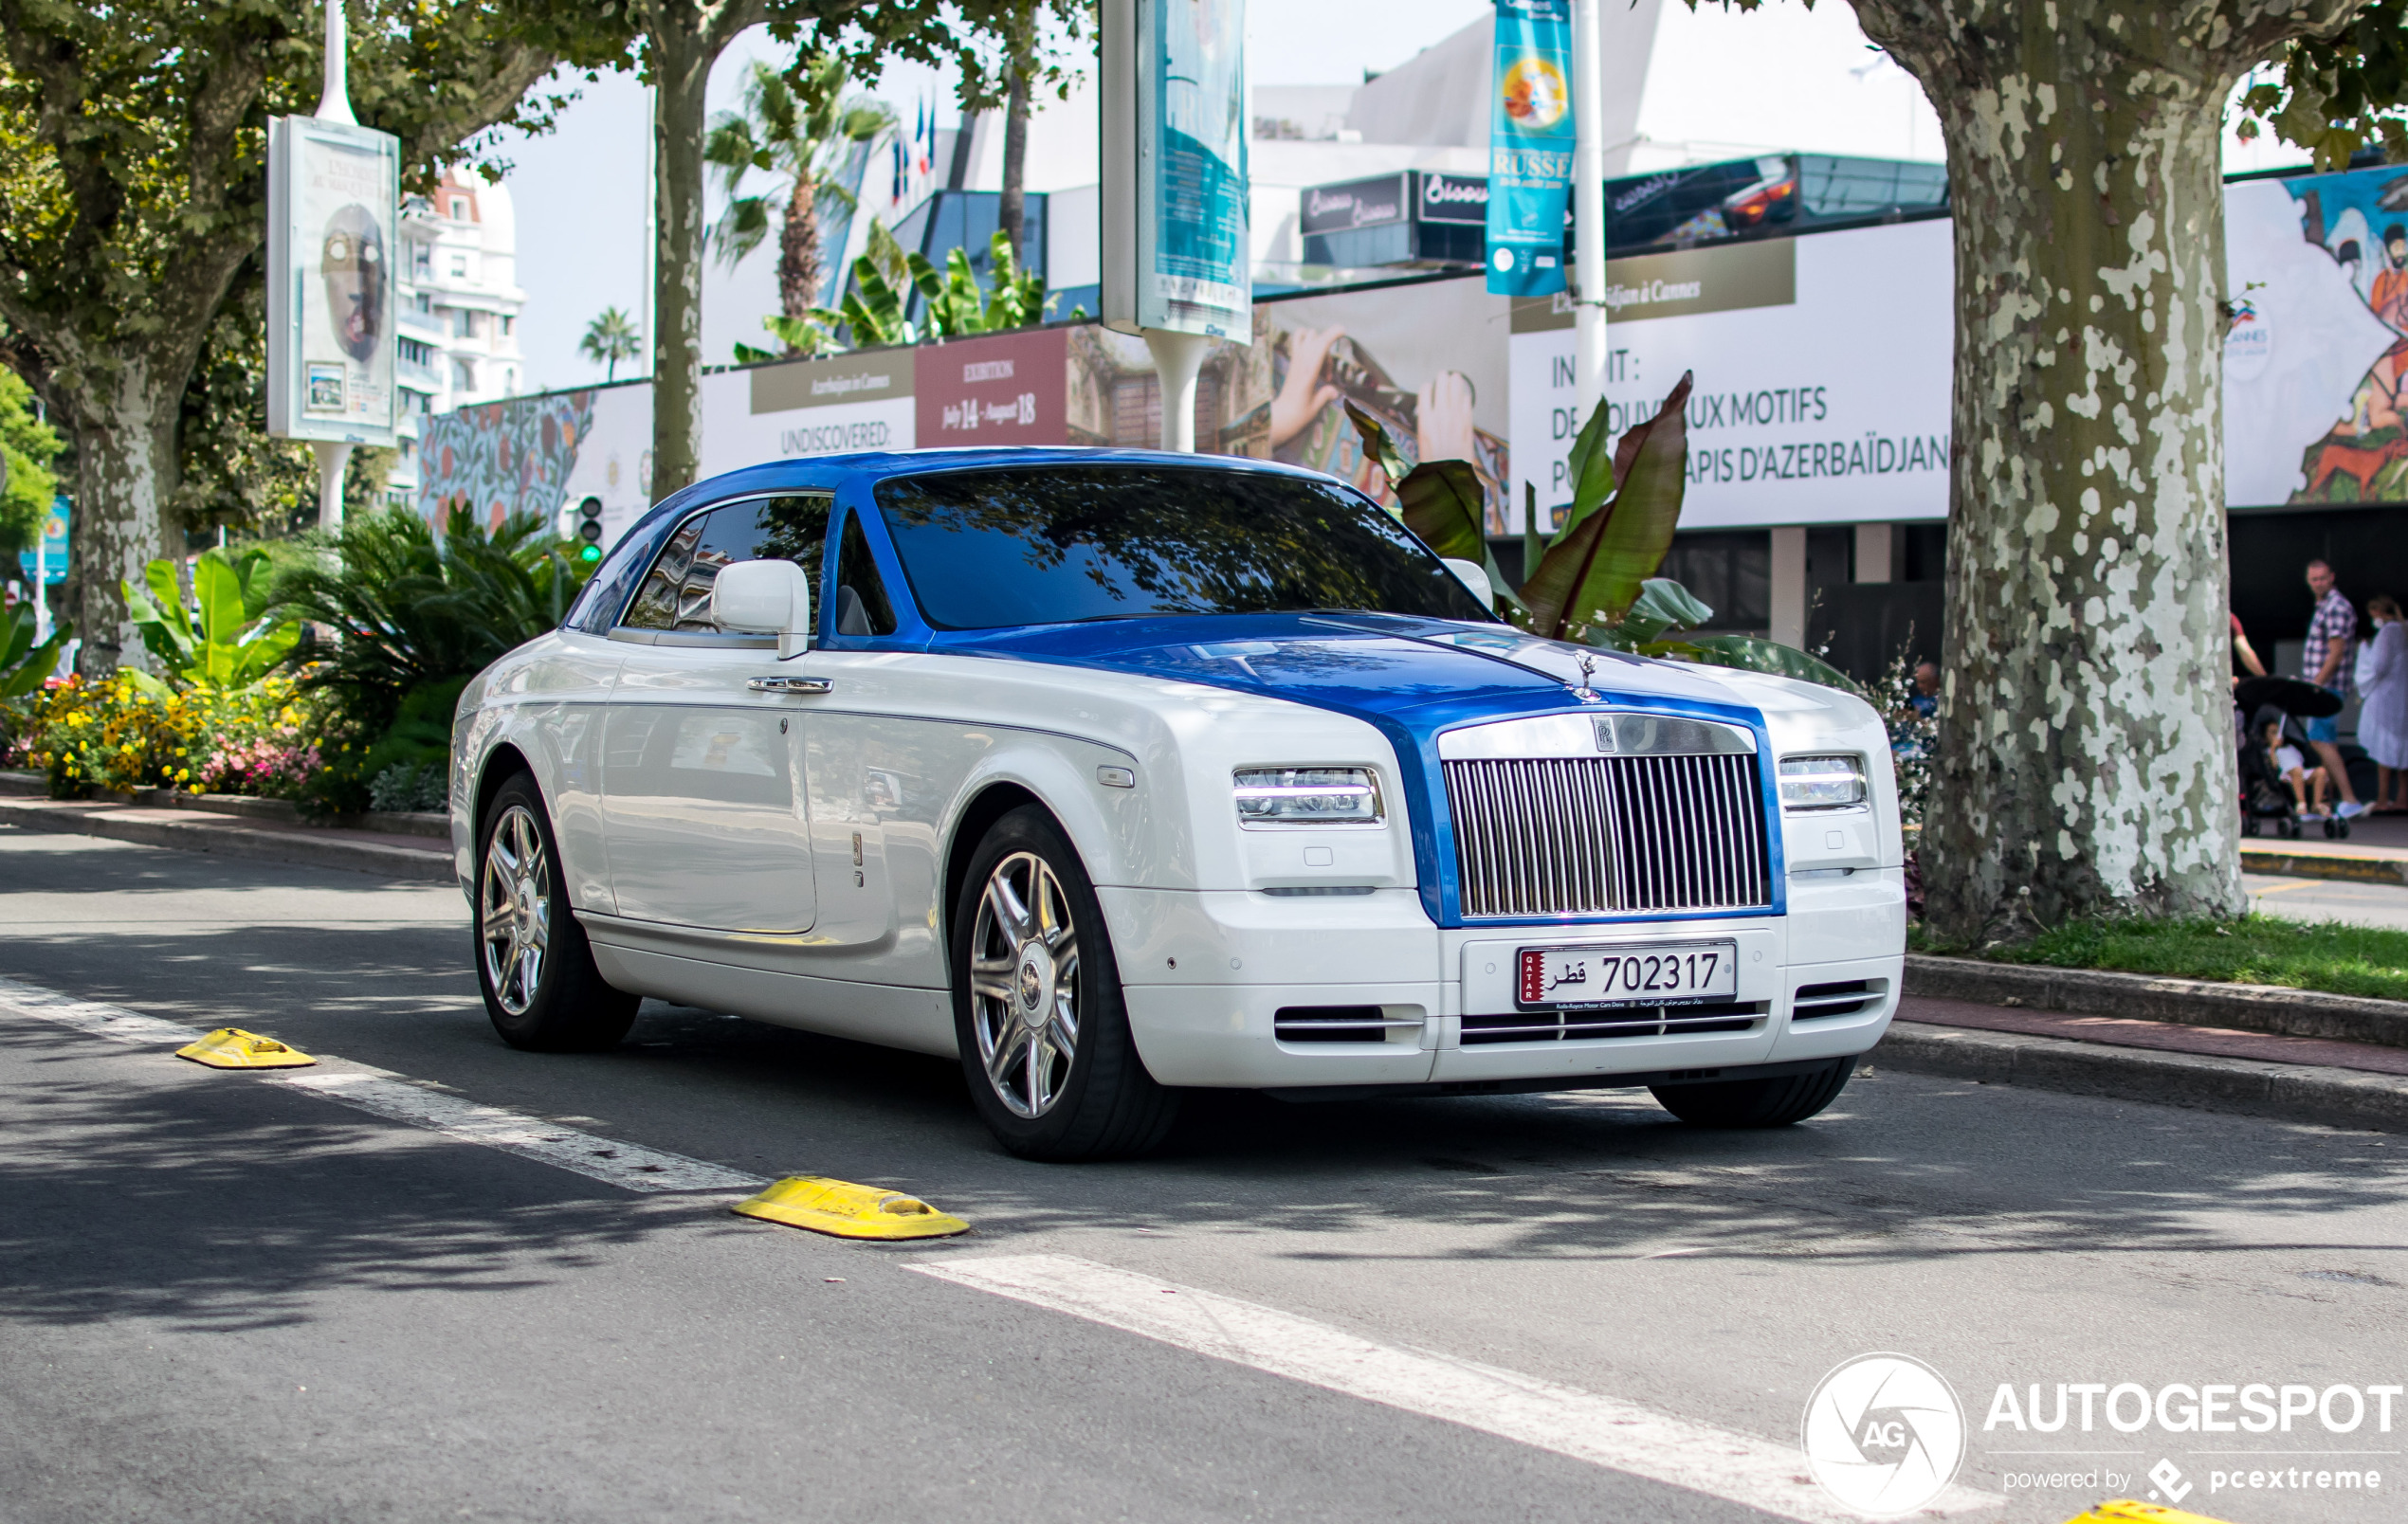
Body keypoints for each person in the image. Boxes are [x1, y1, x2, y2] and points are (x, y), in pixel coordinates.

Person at [2302, 558, 2370, 819]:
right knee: (2325, 741)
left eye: (2322, 578)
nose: (2318, 583)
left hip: (2327, 687)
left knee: (2319, 740)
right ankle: (2325, 803)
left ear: (2332, 577)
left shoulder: (2336, 607)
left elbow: (2336, 653)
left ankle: (2349, 799)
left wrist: (2316, 684)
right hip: (2324, 686)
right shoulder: (2324, 606)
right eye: (2313, 579)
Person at [2358, 593, 2408, 811]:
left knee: (2383, 754)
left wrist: (2364, 651)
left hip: (2386, 700)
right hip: (2402, 699)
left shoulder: (2388, 632)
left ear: (2379, 612)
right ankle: (2402, 799)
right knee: (2404, 752)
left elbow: (2378, 666)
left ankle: (2382, 800)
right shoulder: (2404, 629)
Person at [2262, 717, 2331, 818]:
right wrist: (2273, 748)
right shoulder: (2269, 751)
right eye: (2273, 733)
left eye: (2278, 732)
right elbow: (2274, 765)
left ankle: (2316, 803)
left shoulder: (2291, 747)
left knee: (2321, 771)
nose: (2278, 736)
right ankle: (2301, 802)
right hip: (2285, 775)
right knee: (2296, 771)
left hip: (2300, 772)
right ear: (2266, 737)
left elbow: (2300, 762)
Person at [2231, 611, 2267, 679]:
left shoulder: (2230, 619)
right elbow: (2244, 651)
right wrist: (2264, 679)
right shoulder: (2229, 618)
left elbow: (2245, 651)